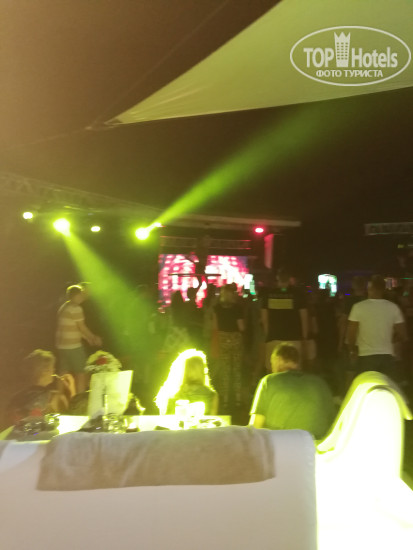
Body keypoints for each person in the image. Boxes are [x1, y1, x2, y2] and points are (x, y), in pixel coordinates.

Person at [249, 343, 335, 439]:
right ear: (297, 363)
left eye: (271, 362)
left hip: (281, 444)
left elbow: (255, 428)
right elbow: (333, 423)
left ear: (278, 360)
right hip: (315, 444)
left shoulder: (268, 381)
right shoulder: (320, 383)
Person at [347, 275, 407, 378]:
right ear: (383, 290)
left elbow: (351, 333)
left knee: (366, 383)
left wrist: (352, 350)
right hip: (387, 355)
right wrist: (391, 340)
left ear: (369, 289)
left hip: (365, 355)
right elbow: (402, 334)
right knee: (386, 384)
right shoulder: (393, 307)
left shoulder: (358, 307)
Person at [6, 349, 75, 425]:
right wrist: (72, 390)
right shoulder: (55, 397)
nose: (54, 370)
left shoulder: (15, 398)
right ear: (45, 371)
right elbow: (74, 420)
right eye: (52, 367)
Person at [260, 268, 309, 371]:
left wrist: (267, 335)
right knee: (293, 371)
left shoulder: (268, 294)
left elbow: (264, 319)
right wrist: (304, 337)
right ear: (289, 278)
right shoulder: (298, 294)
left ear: (277, 278)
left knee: (273, 371)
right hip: (294, 338)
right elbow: (304, 318)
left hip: (273, 337)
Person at [56, 284, 101, 392]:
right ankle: (80, 398)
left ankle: (59, 396)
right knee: (81, 373)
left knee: (63, 372)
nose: (83, 297)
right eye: (81, 295)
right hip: (73, 346)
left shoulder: (64, 307)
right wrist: (94, 337)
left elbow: (73, 328)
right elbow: (82, 327)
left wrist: (88, 339)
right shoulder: (76, 308)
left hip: (62, 346)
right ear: (76, 296)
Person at [155, 349, 218, 416]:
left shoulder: (176, 395)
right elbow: (213, 419)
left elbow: (168, 419)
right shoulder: (212, 395)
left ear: (186, 370)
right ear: (202, 370)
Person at [213, 284, 244, 410]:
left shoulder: (217, 308)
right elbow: (241, 327)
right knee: (236, 369)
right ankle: (238, 399)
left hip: (222, 338)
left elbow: (215, 326)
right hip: (236, 338)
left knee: (225, 369)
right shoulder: (238, 308)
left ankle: (225, 399)